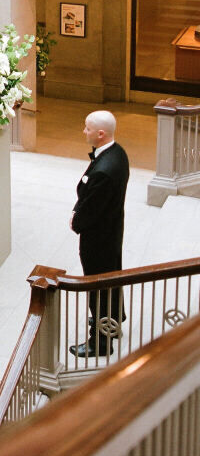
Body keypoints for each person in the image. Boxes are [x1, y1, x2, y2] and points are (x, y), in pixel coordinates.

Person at [69, 110, 131, 358]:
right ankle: (114, 320)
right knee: (112, 277)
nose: (84, 132)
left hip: (99, 239)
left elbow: (89, 211)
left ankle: (101, 341)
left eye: (87, 128)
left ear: (100, 133)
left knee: (97, 286)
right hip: (112, 231)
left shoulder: (104, 171)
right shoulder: (118, 153)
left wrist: (75, 220)